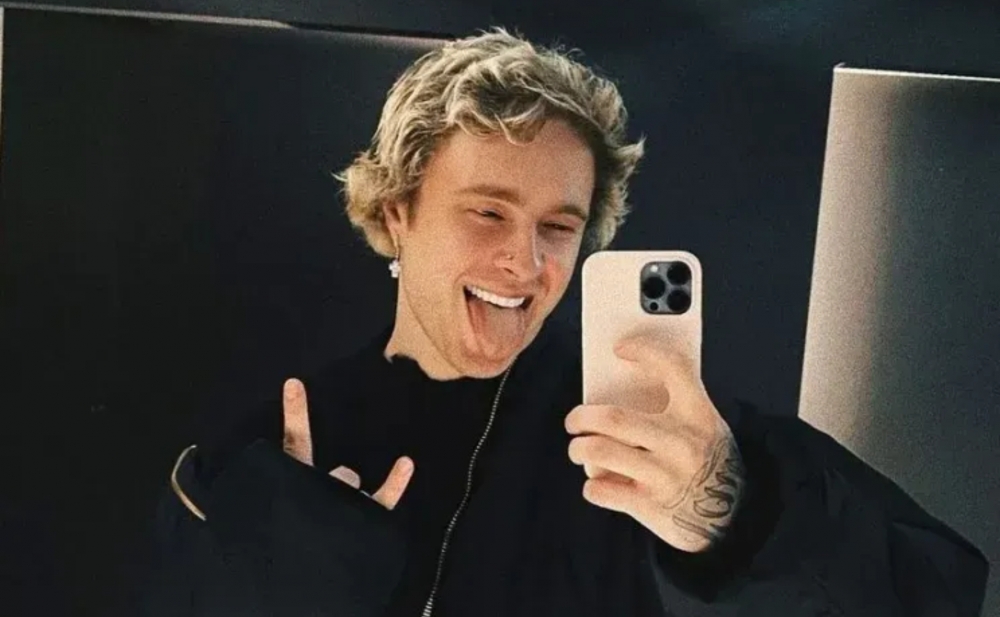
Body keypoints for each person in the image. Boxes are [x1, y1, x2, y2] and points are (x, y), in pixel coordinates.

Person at [139, 27, 989, 617]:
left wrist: (737, 517)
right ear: (398, 211)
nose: (526, 260)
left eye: (559, 225)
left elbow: (935, 589)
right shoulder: (265, 454)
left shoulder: (658, 438)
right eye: (488, 212)